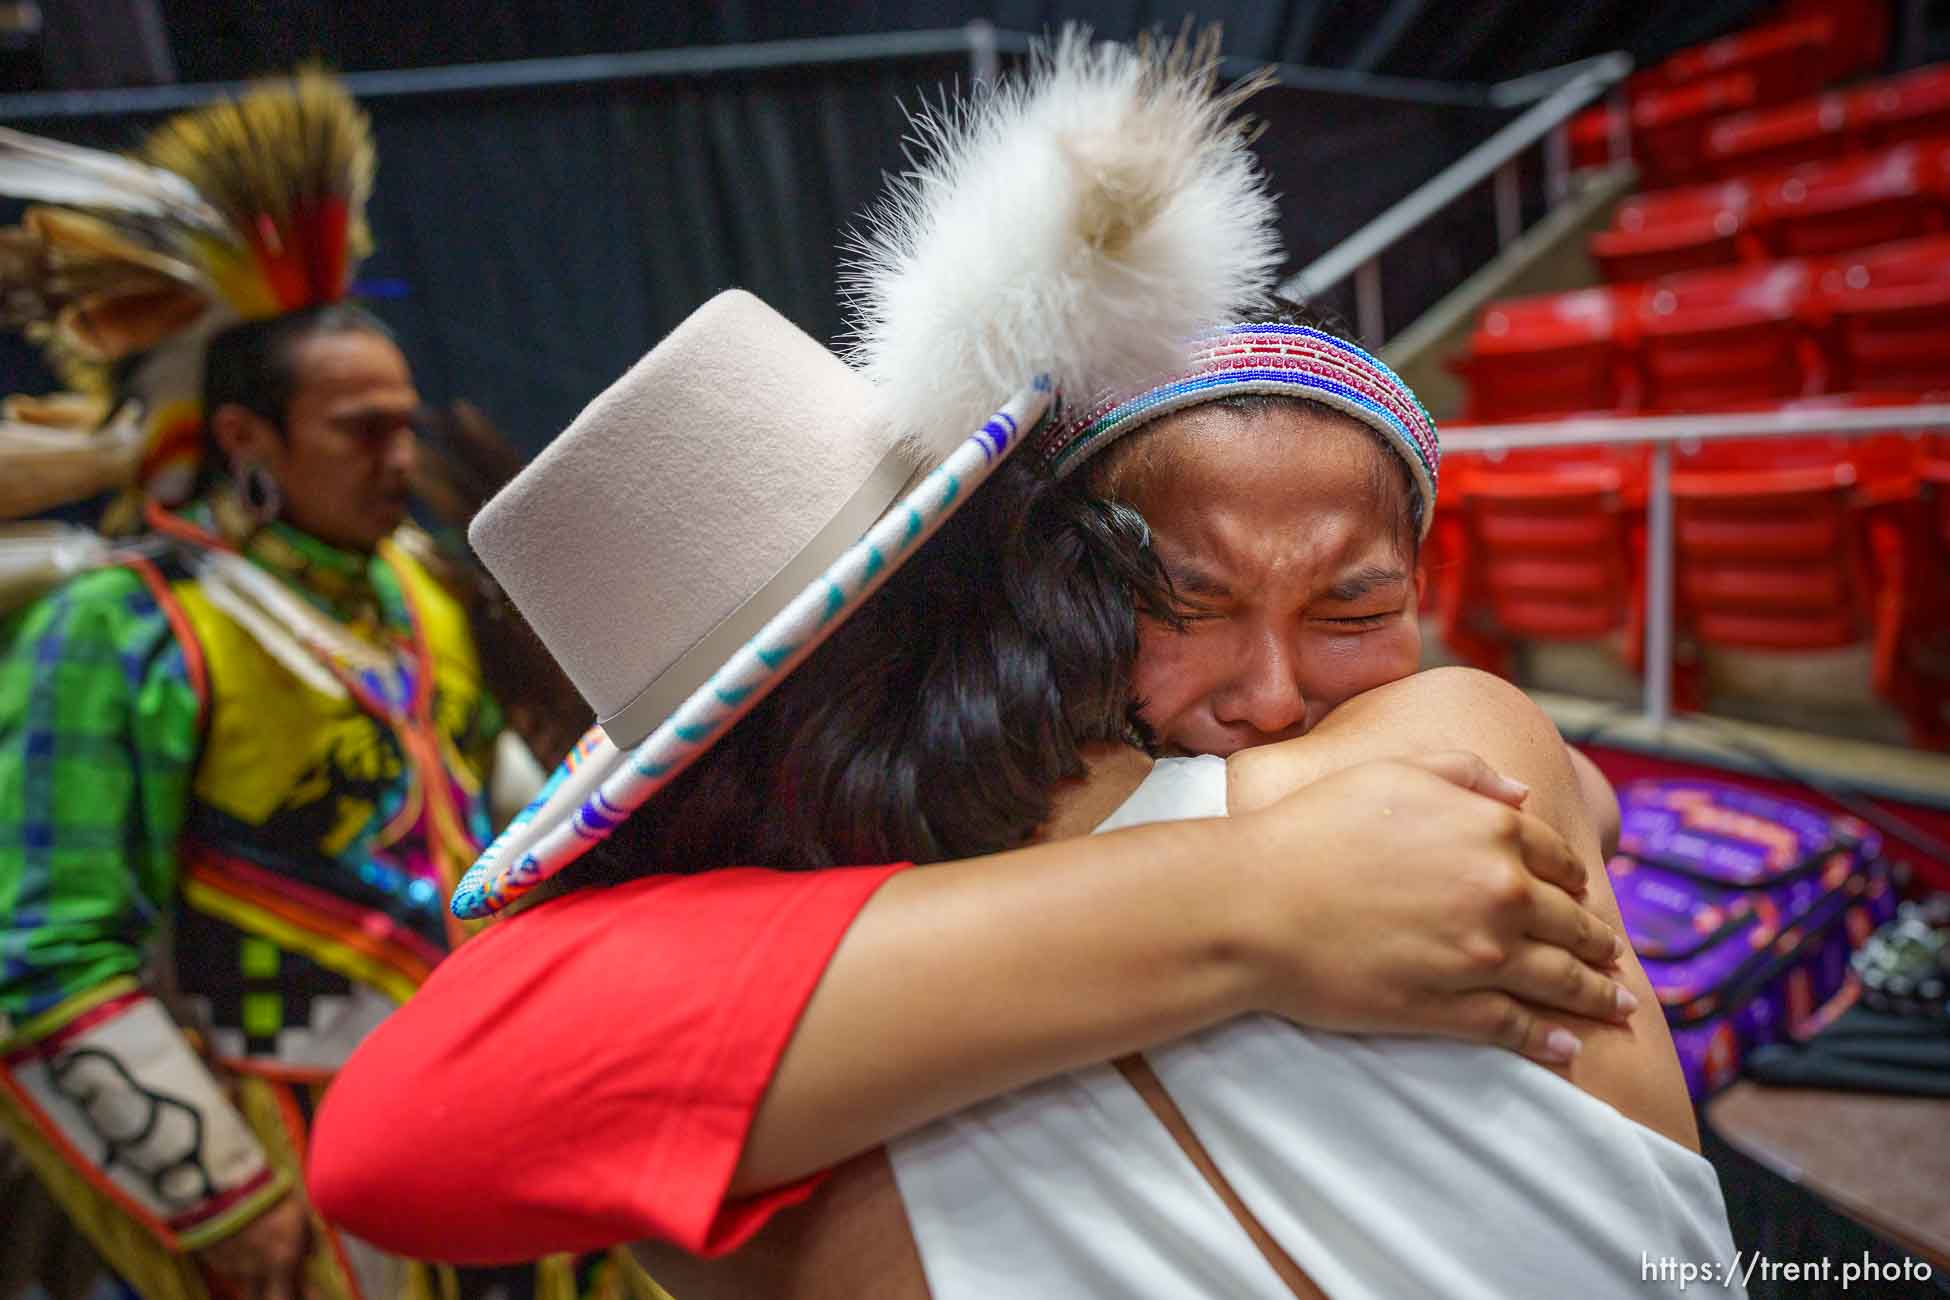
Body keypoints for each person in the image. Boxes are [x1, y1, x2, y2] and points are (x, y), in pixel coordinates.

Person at [307, 33, 1730, 1292]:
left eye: (1354, 608)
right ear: (1055, 586)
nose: (1274, 695)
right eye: (1185, 598)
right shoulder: (1424, 768)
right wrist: (1265, 894)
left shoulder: (753, 1169)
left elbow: (394, 1131)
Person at [0, 76, 552, 1300]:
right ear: (247, 442)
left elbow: (489, 820)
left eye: (406, 424)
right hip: (303, 1156)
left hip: (505, 1126)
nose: (402, 462)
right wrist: (216, 1193)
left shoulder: (413, 589)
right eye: (362, 430)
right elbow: (43, 956)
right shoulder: (130, 626)